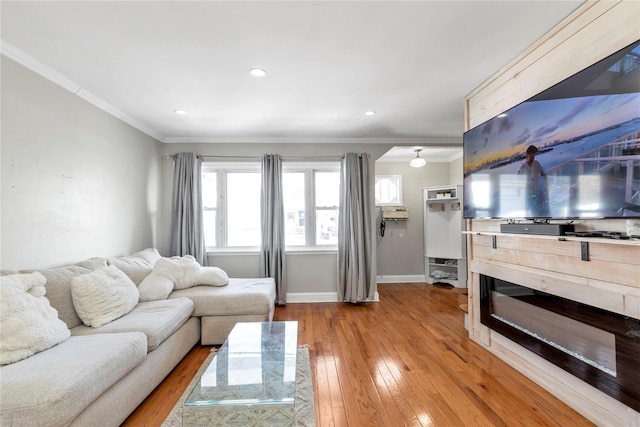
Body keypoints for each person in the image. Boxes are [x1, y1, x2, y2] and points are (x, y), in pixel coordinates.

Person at [518, 145, 549, 216]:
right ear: (527, 155)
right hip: (529, 197)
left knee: (541, 212)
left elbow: (543, 174)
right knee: (534, 214)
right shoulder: (522, 169)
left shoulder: (536, 164)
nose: (533, 158)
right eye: (531, 156)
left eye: (534, 156)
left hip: (538, 193)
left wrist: (545, 183)